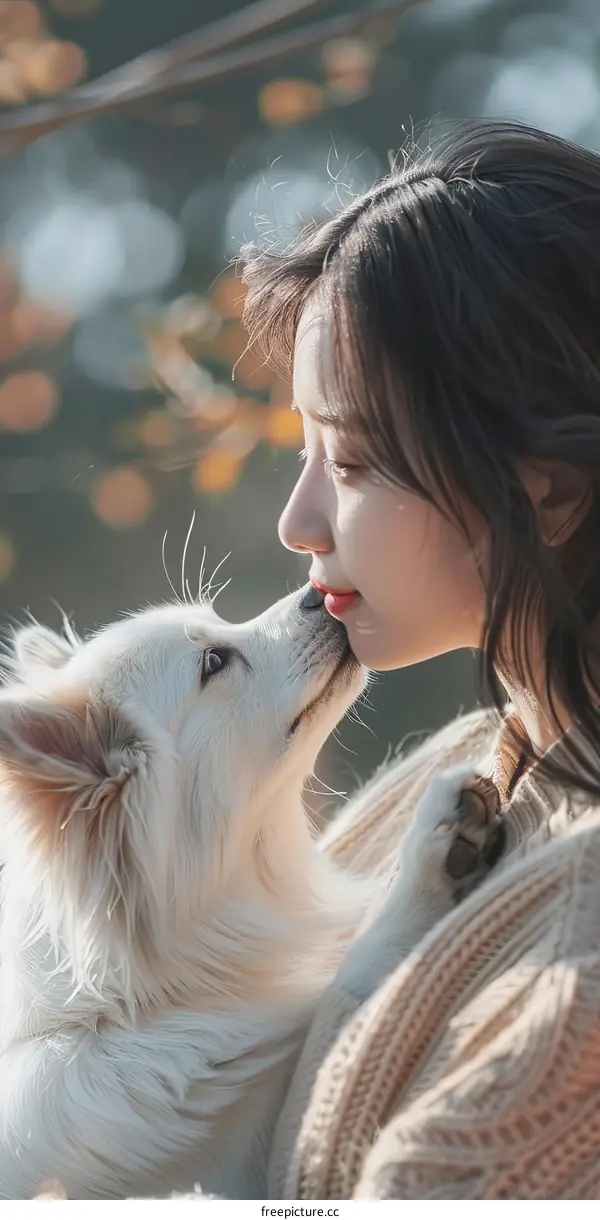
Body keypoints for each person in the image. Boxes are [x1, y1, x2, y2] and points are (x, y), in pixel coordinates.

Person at [239, 118, 600, 1200]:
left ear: (549, 488)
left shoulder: (573, 998)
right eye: (304, 447)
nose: (298, 522)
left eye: (348, 458)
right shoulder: (442, 787)